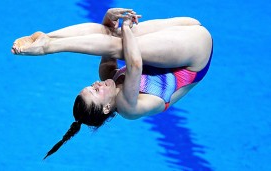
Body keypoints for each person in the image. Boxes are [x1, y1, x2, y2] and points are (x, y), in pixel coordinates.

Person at [12, 8, 213, 159]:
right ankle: (49, 46)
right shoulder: (128, 108)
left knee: (112, 37)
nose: (96, 84)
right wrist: (126, 28)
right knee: (120, 45)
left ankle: (49, 37)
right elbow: (134, 64)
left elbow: (105, 35)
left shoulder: (108, 76)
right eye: (95, 91)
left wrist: (109, 19)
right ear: (107, 107)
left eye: (91, 87)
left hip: (189, 29)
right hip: (195, 56)